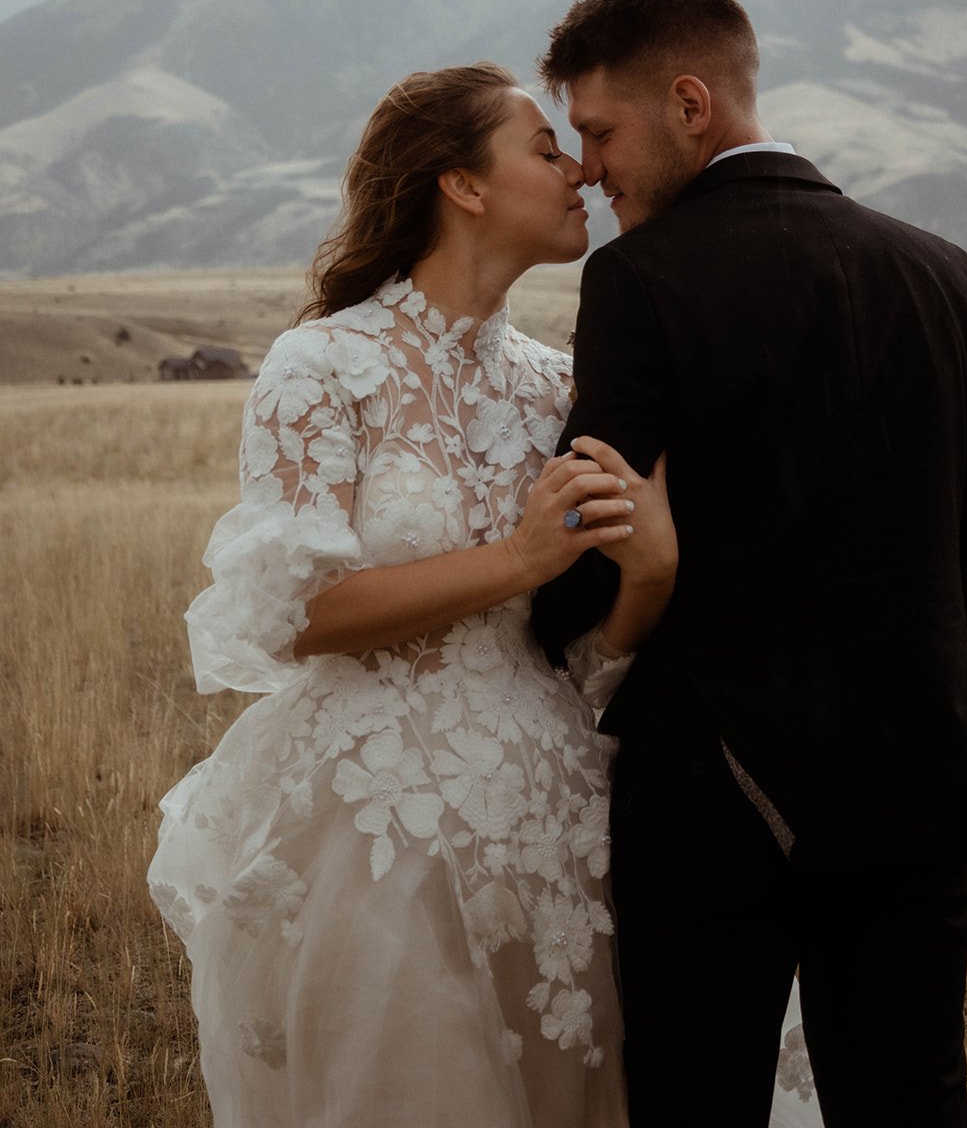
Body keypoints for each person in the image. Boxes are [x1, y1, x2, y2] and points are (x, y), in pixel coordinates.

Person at [530, 0, 967, 1128]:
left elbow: (586, 537)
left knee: (695, 1100)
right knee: (910, 1097)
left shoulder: (639, 280)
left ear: (688, 104)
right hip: (920, 775)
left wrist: (559, 624)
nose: (586, 167)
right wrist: (946, 705)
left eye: (598, 130)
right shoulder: (942, 270)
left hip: (708, 793)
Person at [149, 62, 687, 1128]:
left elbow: (575, 658)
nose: (577, 167)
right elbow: (293, 616)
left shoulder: (555, 384)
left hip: (554, 823)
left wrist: (649, 579)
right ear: (463, 184)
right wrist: (520, 559)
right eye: (543, 148)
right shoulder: (319, 366)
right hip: (379, 837)